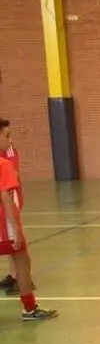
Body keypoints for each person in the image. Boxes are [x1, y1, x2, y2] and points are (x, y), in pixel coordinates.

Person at [0, 118, 57, 321]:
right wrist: (17, 230)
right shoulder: (4, 164)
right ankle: (30, 309)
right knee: (22, 261)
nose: (11, 140)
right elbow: (6, 199)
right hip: (4, 227)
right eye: (7, 136)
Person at [1, 121, 21, 296]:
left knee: (15, 240)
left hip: (9, 199)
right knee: (7, 239)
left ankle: (19, 278)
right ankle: (13, 274)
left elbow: (13, 173)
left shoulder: (9, 152)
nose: (10, 139)